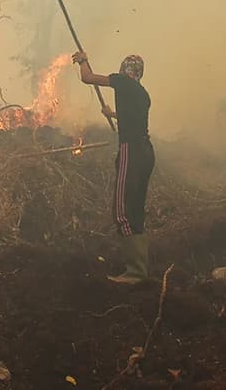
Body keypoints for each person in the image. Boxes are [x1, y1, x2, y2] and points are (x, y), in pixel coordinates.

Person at [72, 50, 155, 284]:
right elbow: (133, 118)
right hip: (147, 153)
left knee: (122, 211)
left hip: (132, 151)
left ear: (124, 70)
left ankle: (135, 273)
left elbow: (88, 78)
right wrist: (112, 114)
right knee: (136, 208)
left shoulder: (121, 82)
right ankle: (139, 269)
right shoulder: (142, 94)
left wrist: (83, 61)